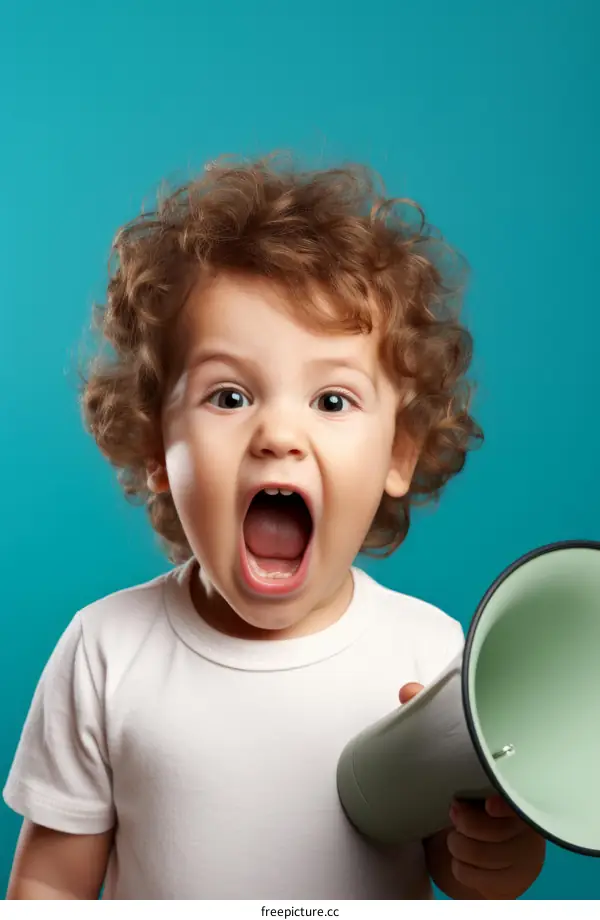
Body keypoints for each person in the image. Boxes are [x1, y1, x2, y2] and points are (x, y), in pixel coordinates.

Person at [3, 156, 546, 899]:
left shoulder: (430, 654)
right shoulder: (105, 650)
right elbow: (51, 885)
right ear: (159, 449)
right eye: (229, 397)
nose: (280, 436)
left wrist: (498, 852)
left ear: (398, 452)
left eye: (332, 401)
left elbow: (464, 872)